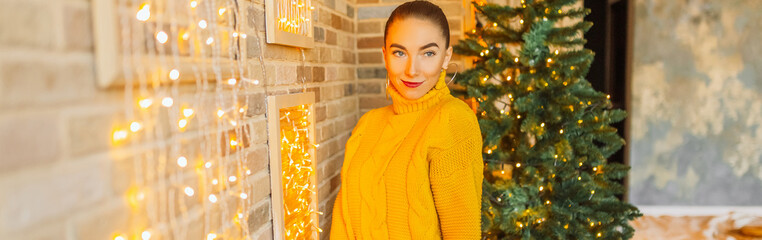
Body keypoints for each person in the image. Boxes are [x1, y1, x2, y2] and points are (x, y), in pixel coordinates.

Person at [330, 1, 483, 239]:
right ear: (385, 56)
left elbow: (462, 231)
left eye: (428, 53)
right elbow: (343, 219)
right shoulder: (367, 124)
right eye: (399, 53)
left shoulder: (452, 119)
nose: (412, 70)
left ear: (446, 57)